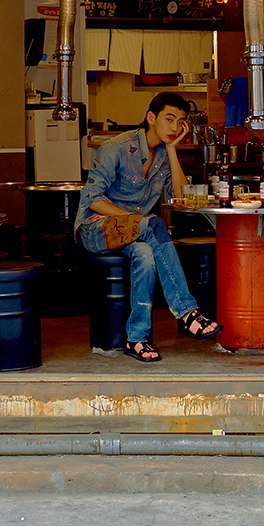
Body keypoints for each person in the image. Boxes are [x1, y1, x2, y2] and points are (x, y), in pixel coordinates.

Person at [74, 91, 222, 363]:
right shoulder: (117, 147)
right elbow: (91, 199)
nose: (174, 127)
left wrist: (173, 150)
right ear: (151, 118)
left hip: (135, 233)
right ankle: (187, 312)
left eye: (180, 122)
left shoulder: (164, 154)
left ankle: (137, 339)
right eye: (169, 119)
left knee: (144, 253)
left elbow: (180, 198)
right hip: (95, 229)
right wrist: (133, 221)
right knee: (153, 224)